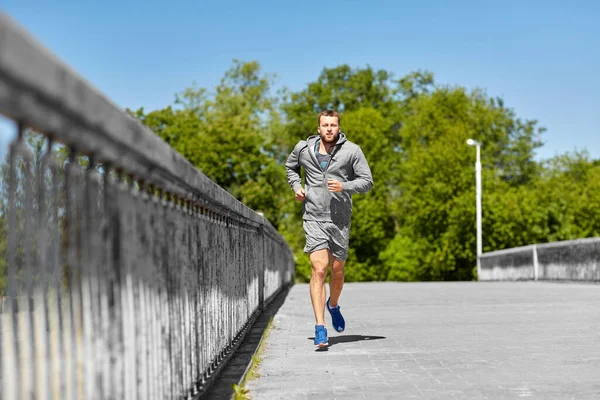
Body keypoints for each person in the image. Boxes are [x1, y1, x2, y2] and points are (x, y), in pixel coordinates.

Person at [285, 109, 373, 348]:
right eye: (325, 125)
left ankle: (333, 305)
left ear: (338, 127)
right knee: (319, 269)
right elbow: (290, 168)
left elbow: (367, 182)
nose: (329, 129)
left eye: (333, 125)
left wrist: (345, 185)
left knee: (337, 270)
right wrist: (296, 187)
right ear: (319, 128)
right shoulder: (303, 149)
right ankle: (320, 327)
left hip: (340, 220)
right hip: (313, 217)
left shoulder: (352, 151)